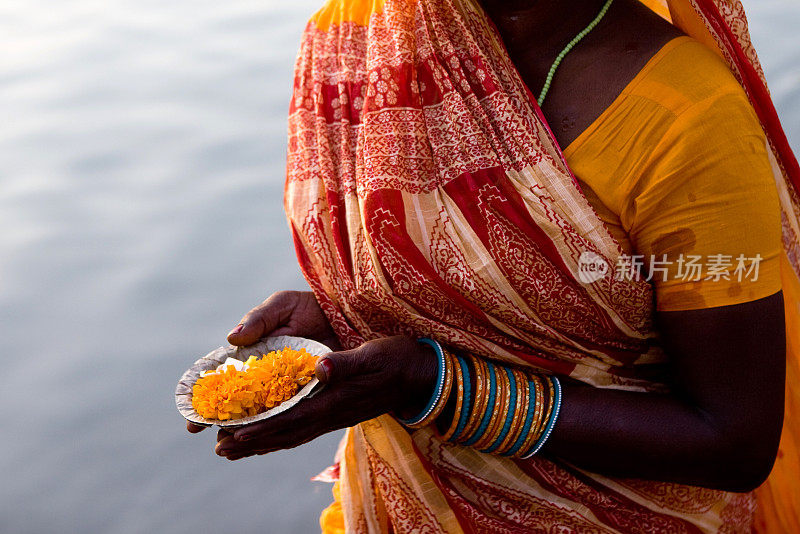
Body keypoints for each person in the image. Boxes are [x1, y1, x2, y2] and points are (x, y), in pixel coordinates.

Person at [187, 0, 800, 531]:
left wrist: (429, 385)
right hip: (398, 503)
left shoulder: (685, 119)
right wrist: (346, 316)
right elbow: (478, 287)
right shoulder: (357, 43)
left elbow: (733, 441)